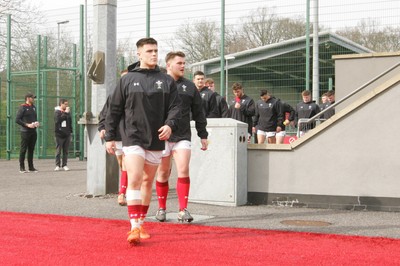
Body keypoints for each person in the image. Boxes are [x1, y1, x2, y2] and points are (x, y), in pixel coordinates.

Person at [104, 37, 182, 246]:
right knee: (135, 178)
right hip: (133, 137)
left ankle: (141, 221)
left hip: (156, 138)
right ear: (139, 54)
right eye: (149, 51)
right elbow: (114, 109)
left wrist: (170, 124)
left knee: (148, 181)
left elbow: (176, 107)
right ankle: (134, 227)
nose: (154, 54)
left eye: (156, 50)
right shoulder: (127, 79)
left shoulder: (166, 81)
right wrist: (110, 136)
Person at [155, 51, 208, 223]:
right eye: (179, 63)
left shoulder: (190, 87)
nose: (183, 66)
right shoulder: (158, 83)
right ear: (169, 65)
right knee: (163, 173)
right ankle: (161, 208)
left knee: (183, 170)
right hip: (161, 136)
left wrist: (203, 135)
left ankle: (182, 209)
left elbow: (199, 113)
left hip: (182, 136)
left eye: (184, 63)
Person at [98, 94, 127, 206]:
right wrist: (102, 128)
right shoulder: (114, 96)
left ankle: (122, 193)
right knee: (121, 164)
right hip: (117, 135)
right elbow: (105, 113)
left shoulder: (137, 92)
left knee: (126, 164)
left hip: (131, 135)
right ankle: (127, 185)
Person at [16, 93, 39, 173]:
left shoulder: (33, 107)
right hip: (25, 132)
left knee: (31, 149)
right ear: (28, 98)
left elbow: (34, 118)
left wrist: (36, 123)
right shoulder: (22, 107)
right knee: (23, 149)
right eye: (32, 98)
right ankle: (22, 168)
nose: (34, 99)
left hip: (33, 131)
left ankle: (31, 167)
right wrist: (27, 125)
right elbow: (17, 120)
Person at [54, 99, 73, 171]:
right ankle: (57, 165)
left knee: (66, 151)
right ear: (61, 104)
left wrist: (70, 132)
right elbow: (57, 121)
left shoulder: (68, 113)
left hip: (67, 134)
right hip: (59, 134)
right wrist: (66, 113)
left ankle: (64, 164)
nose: (66, 106)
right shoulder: (57, 112)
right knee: (58, 150)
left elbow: (70, 123)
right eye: (65, 104)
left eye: (67, 104)